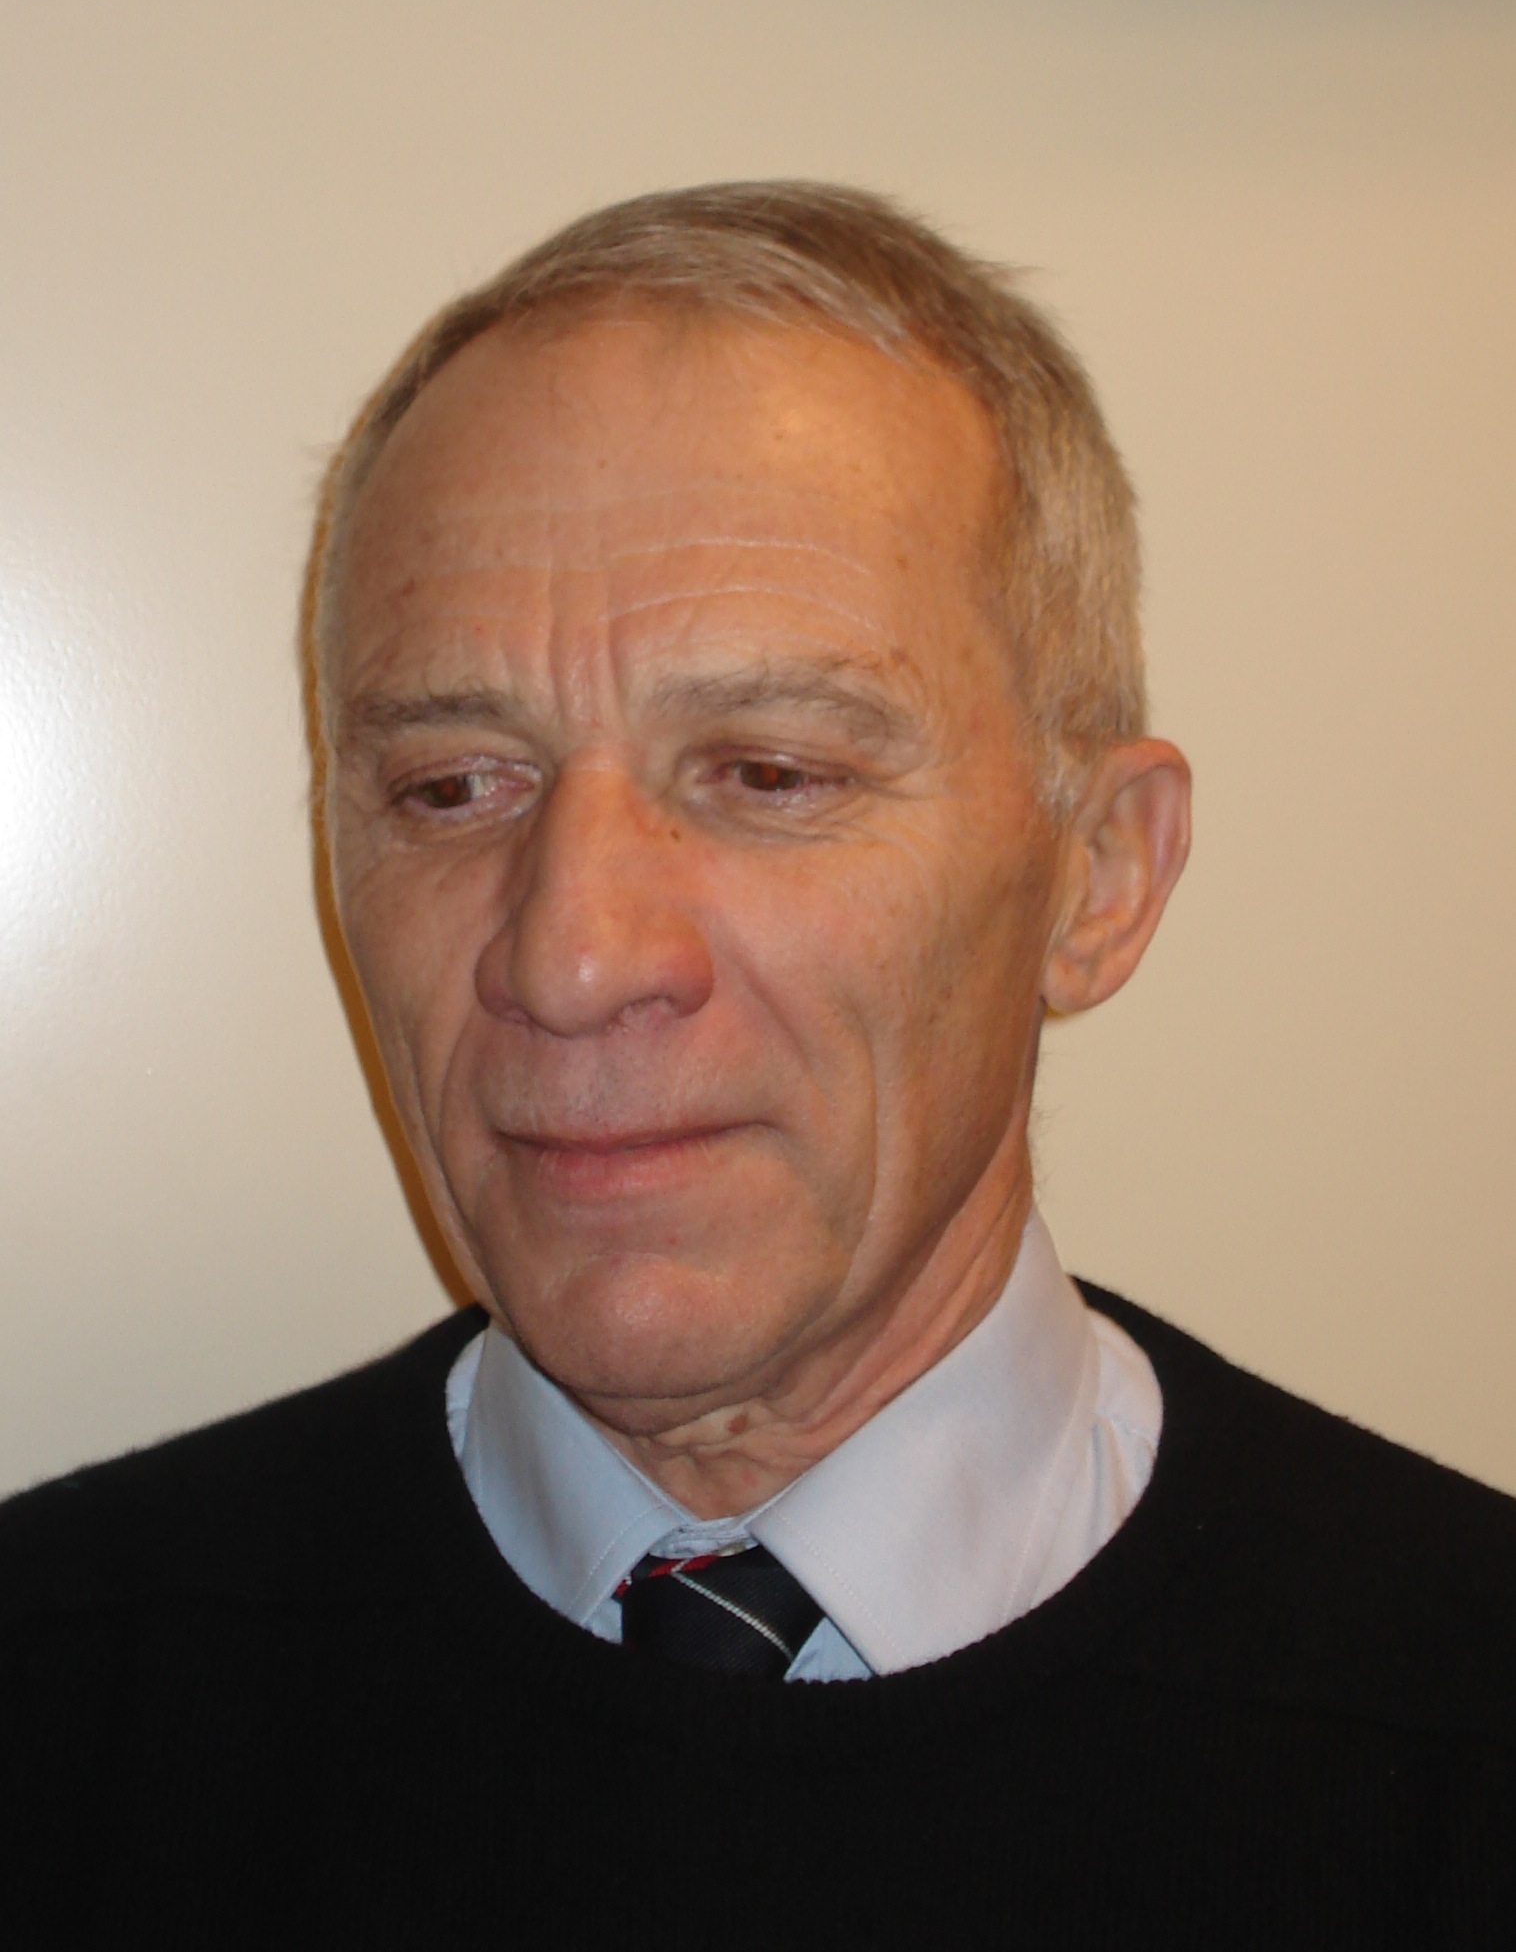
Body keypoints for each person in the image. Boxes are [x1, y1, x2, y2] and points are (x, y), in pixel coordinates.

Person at [3, 182, 1513, 1946]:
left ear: (1098, 877)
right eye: (450, 785)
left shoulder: (1456, 1734)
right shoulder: (55, 1708)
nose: (569, 957)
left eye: (771, 772)